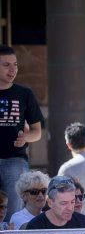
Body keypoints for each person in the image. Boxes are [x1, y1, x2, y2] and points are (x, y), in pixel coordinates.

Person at [0, 45, 44, 220]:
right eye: (6, 65)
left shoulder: (24, 94)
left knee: (15, 211)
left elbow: (37, 132)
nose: (13, 69)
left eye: (15, 64)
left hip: (15, 159)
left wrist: (26, 137)